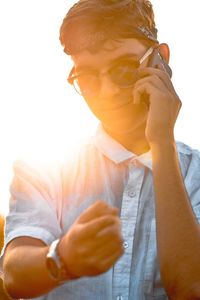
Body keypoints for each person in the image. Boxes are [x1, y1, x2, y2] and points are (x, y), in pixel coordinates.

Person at [2, 0, 200, 299]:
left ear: (161, 60)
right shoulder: (45, 166)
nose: (106, 91)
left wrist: (162, 142)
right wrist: (62, 258)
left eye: (123, 69)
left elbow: (190, 288)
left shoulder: (195, 173)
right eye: (88, 77)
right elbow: (14, 275)